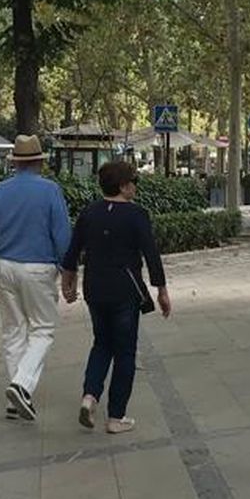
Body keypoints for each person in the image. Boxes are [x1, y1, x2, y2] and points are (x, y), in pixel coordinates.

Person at [61, 160, 169, 435]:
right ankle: (116, 416)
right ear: (122, 186)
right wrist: (161, 290)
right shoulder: (137, 215)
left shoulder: (89, 213)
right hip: (125, 290)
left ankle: (90, 396)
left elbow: (73, 251)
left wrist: (67, 281)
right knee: (124, 351)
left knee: (101, 343)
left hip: (95, 289)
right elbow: (151, 253)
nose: (136, 186)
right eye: (134, 181)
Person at [0, 134, 73, 422]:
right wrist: (68, 268)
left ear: (14, 162)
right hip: (38, 266)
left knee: (14, 330)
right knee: (43, 329)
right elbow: (62, 233)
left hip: (4, 265)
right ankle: (21, 384)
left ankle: (16, 400)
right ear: (40, 162)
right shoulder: (50, 190)